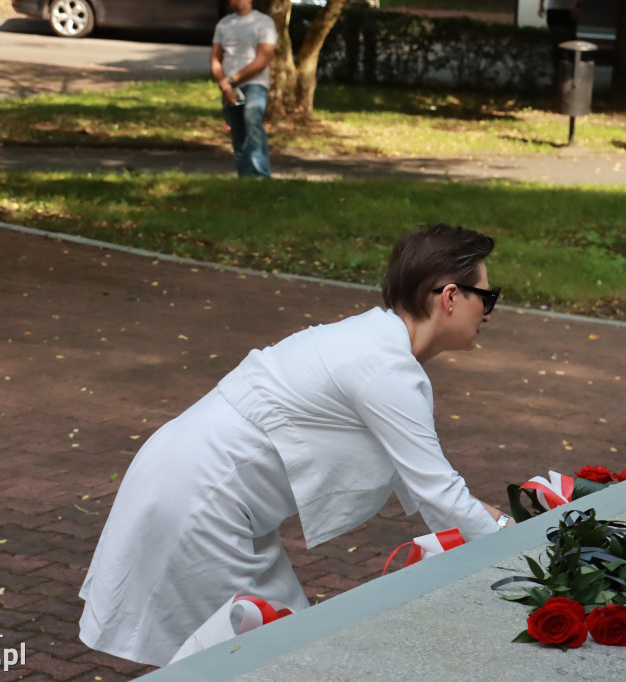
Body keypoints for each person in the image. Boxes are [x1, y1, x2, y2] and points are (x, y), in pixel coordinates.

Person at [78, 224, 516, 666]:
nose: (489, 312)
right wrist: (522, 554)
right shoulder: (383, 367)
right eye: (488, 297)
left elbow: (431, 485)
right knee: (270, 656)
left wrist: (507, 525)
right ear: (451, 297)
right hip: (201, 496)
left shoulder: (376, 346)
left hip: (201, 484)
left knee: (275, 649)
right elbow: (438, 493)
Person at [209, 0, 277, 178]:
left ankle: (261, 173)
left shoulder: (264, 22)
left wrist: (232, 80)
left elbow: (263, 59)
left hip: (255, 84)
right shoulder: (224, 24)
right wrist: (224, 83)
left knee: (252, 119)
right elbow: (216, 58)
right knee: (238, 130)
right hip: (230, 87)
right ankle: (245, 176)